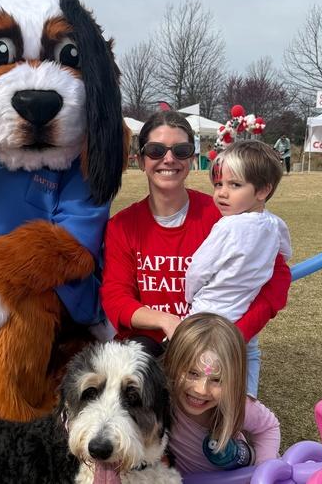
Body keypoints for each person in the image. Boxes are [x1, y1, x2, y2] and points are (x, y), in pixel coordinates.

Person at [100, 110, 291, 357]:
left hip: (215, 343)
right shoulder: (123, 225)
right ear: (141, 160)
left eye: (181, 151)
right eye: (156, 150)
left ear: (191, 158)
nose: (169, 159)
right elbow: (116, 297)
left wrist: (235, 335)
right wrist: (166, 321)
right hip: (149, 346)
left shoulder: (227, 215)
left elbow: (277, 279)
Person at [185, 141, 291, 397]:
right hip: (243, 312)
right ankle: (247, 400)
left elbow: (198, 269)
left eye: (234, 185)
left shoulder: (227, 227)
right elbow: (285, 255)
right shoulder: (276, 225)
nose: (222, 193)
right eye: (218, 184)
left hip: (208, 316)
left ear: (263, 190)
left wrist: (190, 296)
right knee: (249, 353)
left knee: (198, 368)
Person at [164, 313, 280, 477]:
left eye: (217, 380)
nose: (201, 390)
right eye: (192, 373)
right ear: (172, 364)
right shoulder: (161, 400)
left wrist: (263, 471)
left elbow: (268, 427)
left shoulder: (236, 403)